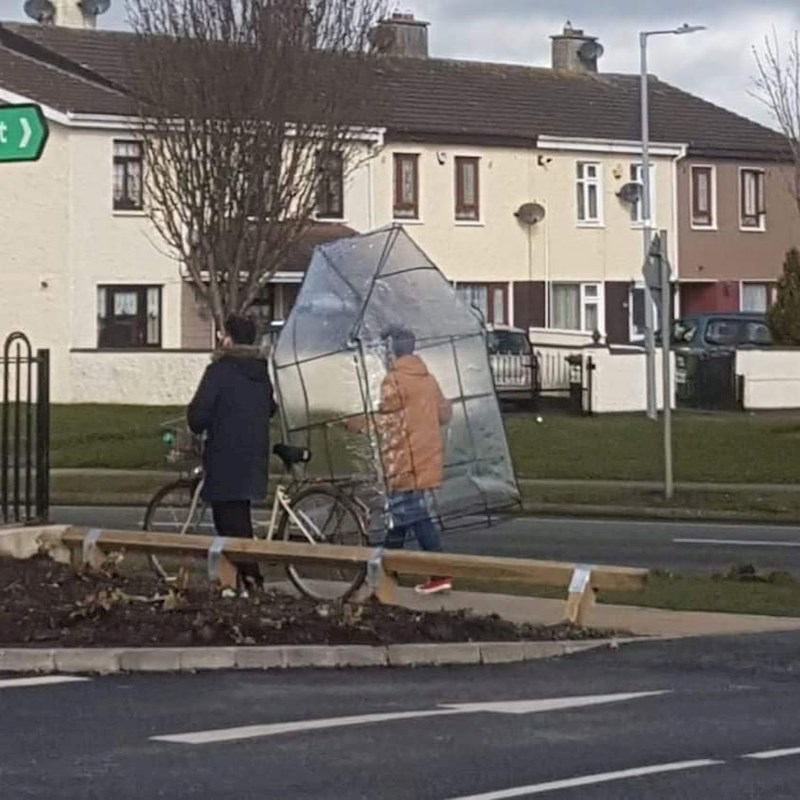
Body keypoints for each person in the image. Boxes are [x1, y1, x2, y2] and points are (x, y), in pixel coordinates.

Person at [187, 314, 276, 595]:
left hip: (225, 455)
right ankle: (238, 582)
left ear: (230, 338)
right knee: (240, 518)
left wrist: (203, 422)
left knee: (228, 522)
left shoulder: (220, 370)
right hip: (253, 455)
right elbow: (270, 407)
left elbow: (199, 413)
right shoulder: (261, 371)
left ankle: (251, 581)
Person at [371, 326, 453, 595]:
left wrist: (359, 423)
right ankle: (385, 570)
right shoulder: (426, 378)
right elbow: (444, 414)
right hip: (426, 457)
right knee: (401, 516)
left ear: (392, 349)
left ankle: (439, 572)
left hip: (403, 459)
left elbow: (385, 417)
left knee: (415, 517)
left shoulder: (394, 380)